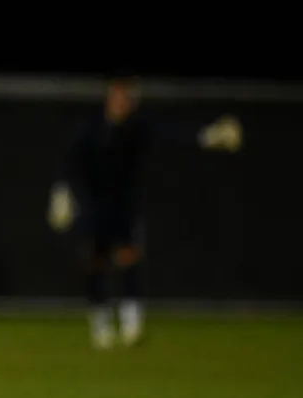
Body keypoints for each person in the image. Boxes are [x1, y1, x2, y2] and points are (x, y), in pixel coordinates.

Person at [46, 75, 242, 349]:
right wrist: (60, 190)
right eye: (116, 96)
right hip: (93, 205)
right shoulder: (90, 128)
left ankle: (132, 325)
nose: (120, 102)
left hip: (124, 205)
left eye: (125, 98)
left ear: (132, 102)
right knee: (93, 261)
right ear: (108, 98)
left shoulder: (138, 128)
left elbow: (172, 135)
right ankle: (101, 324)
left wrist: (208, 136)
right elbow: (68, 160)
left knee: (128, 257)